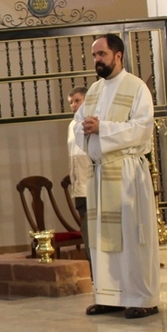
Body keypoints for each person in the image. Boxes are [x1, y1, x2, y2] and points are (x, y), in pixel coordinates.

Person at [74, 34, 159, 319]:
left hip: (126, 173)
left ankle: (142, 298)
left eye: (102, 54)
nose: (97, 60)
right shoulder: (95, 91)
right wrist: (85, 128)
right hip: (100, 175)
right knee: (102, 240)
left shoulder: (137, 88)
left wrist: (103, 128)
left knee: (133, 239)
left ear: (118, 55)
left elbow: (143, 128)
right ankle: (110, 296)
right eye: (95, 55)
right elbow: (77, 125)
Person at [67, 86, 92, 260]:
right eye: (71, 102)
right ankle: (91, 264)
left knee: (94, 226)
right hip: (79, 185)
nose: (74, 105)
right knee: (86, 227)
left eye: (77, 100)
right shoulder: (72, 125)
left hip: (91, 181)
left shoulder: (91, 120)